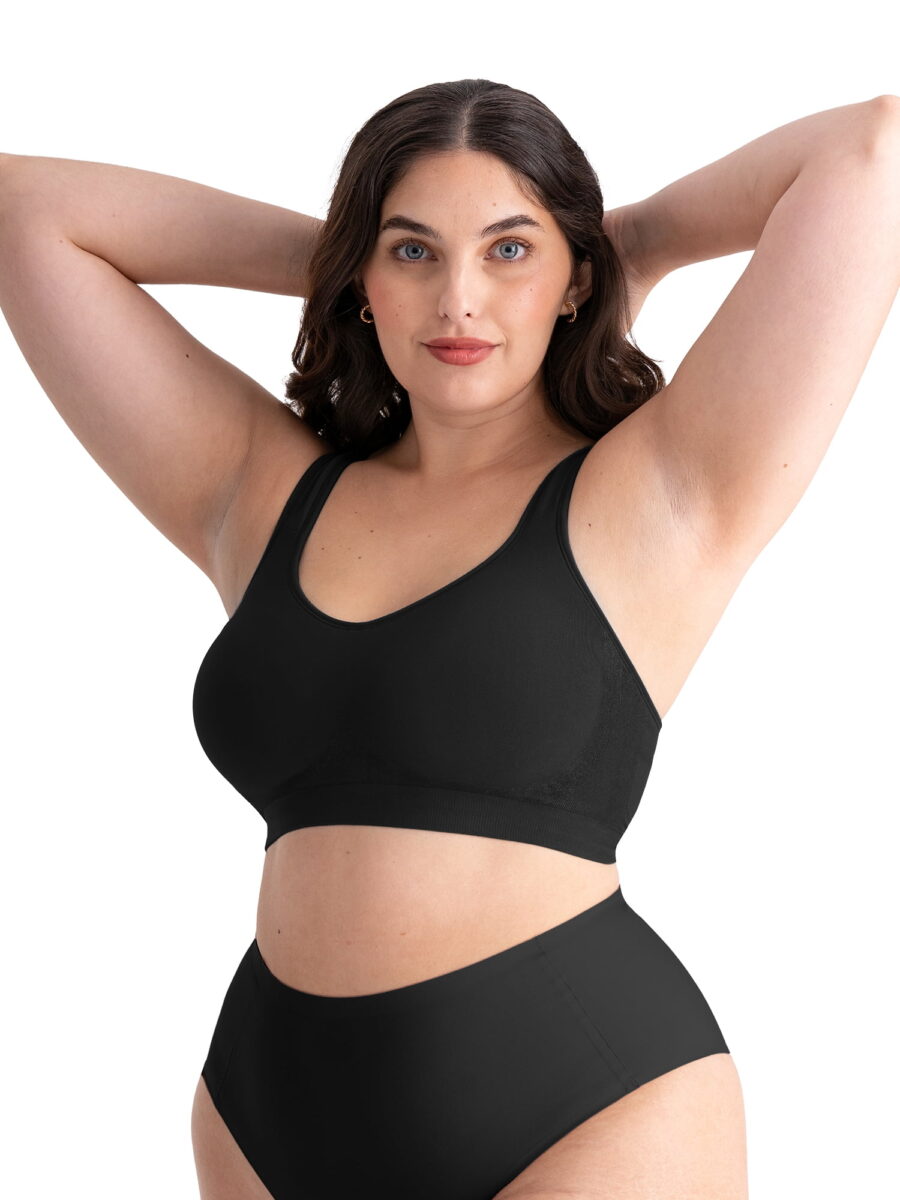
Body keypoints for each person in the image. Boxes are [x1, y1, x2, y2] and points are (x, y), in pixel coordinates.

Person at [0, 79, 896, 1200]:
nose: (459, 300)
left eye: (509, 251)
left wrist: (631, 245)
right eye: (415, 252)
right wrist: (349, 260)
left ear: (572, 279)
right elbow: (26, 212)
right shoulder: (263, 492)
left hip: (582, 1104)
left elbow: (872, 147)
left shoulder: (660, 489)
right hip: (268, 1106)